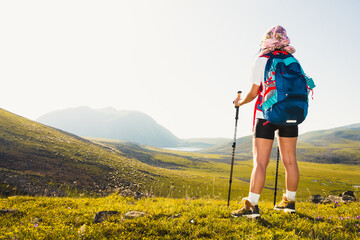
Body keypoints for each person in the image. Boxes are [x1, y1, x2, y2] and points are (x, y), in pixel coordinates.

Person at [232, 25, 300, 218]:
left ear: (266, 40)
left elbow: (254, 93)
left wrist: (239, 103)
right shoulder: (291, 59)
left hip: (266, 115)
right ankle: (289, 202)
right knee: (290, 160)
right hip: (290, 114)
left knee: (260, 162)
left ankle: (251, 206)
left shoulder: (262, 59)